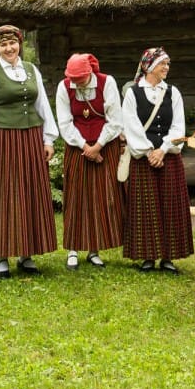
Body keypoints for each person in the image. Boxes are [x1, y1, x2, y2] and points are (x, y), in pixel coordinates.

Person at [0, 25, 59, 278]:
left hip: (31, 138)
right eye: (3, 45)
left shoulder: (31, 69)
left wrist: (48, 139)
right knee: (5, 193)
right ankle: (2, 255)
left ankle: (26, 253)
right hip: (4, 139)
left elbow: (42, 105)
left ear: (20, 44)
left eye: (12, 43)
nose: (9, 48)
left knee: (30, 191)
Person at [121, 47, 193, 273]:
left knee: (170, 205)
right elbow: (130, 125)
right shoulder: (133, 93)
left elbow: (178, 125)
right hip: (143, 159)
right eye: (162, 63)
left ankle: (168, 256)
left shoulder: (173, 92)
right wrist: (149, 152)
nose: (166, 67)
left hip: (168, 157)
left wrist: (163, 150)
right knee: (146, 208)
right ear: (148, 66)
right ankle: (148, 256)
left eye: (167, 64)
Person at [56, 52, 125, 270]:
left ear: (90, 72)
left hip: (105, 145)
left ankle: (94, 250)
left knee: (100, 197)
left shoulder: (107, 82)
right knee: (75, 197)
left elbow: (115, 120)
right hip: (77, 147)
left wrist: (98, 146)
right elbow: (65, 123)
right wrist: (86, 147)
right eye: (73, 79)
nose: (76, 83)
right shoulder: (64, 87)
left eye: (81, 79)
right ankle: (73, 249)